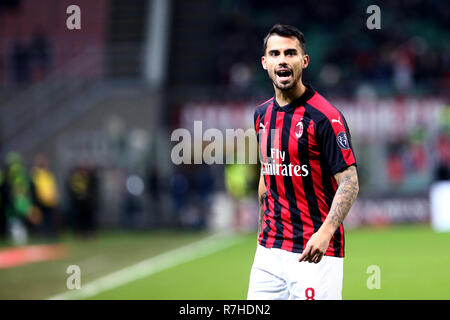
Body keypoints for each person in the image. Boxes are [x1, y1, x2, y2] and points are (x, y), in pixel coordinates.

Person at [247, 24, 359, 300]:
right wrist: (262, 232)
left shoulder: (325, 117)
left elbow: (350, 182)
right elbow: (267, 174)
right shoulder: (261, 115)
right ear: (265, 63)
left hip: (314, 252)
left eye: (290, 53)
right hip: (269, 253)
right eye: (274, 54)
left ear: (304, 61)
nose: (282, 60)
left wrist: (325, 233)